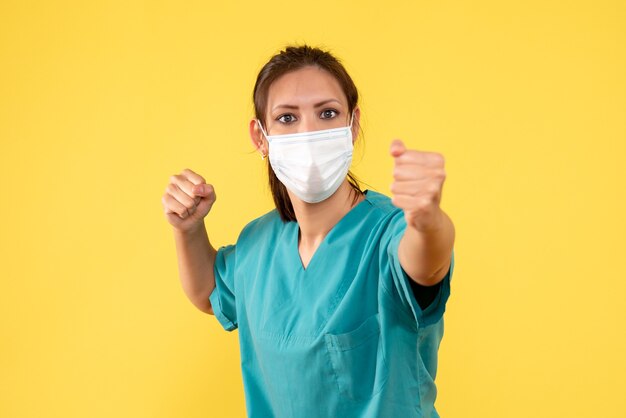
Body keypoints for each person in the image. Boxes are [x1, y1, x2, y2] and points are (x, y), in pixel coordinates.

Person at [161, 45, 456, 418]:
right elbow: (210, 292)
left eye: (327, 113)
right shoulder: (258, 243)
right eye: (287, 118)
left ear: (353, 125)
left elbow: (427, 264)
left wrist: (429, 220)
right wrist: (187, 228)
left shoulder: (388, 232)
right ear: (260, 137)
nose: (309, 133)